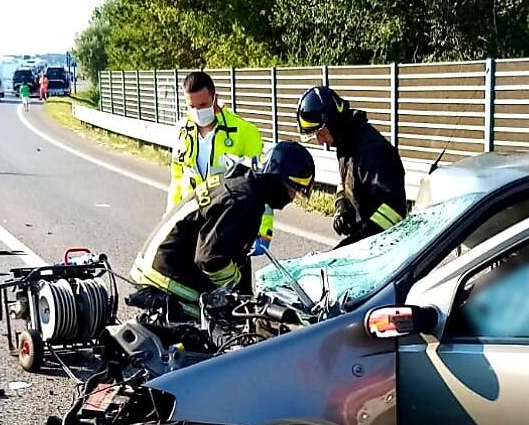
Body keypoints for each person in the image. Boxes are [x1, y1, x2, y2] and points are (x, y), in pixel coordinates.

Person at [130, 141, 315, 319]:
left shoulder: (242, 182)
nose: (291, 198)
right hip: (168, 280)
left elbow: (230, 251)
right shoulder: (243, 199)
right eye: (293, 189)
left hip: (159, 264)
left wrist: (244, 294)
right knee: (214, 339)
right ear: (277, 178)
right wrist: (237, 292)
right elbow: (211, 259)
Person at [167, 72, 273, 256]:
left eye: (203, 105)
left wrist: (264, 230)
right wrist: (169, 220)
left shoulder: (244, 132)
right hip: (191, 225)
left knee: (232, 283)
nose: (198, 112)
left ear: (215, 97)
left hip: (228, 226)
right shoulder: (181, 131)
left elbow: (261, 186)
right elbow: (177, 179)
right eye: (192, 106)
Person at [296, 86, 407, 247]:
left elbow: (393, 211)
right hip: (367, 243)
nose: (320, 141)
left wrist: (356, 242)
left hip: (384, 247)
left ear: (332, 121)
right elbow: (345, 181)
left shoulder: (373, 151)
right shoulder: (345, 144)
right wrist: (342, 206)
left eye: (319, 133)